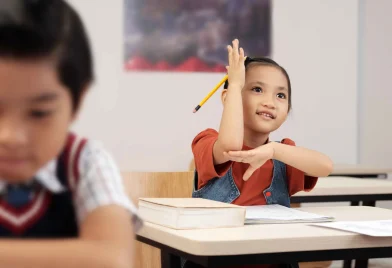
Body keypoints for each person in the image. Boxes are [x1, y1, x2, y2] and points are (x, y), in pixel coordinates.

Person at [0, 1, 140, 267]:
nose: (10, 136)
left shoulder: (86, 162)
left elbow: (112, 260)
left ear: (78, 102)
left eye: (39, 113)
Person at [189, 39, 333, 268]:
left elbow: (325, 166)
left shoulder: (283, 152)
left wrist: (274, 149)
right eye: (257, 89)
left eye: (281, 96)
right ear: (228, 99)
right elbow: (229, 145)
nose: (270, 102)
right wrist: (234, 85)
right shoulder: (206, 141)